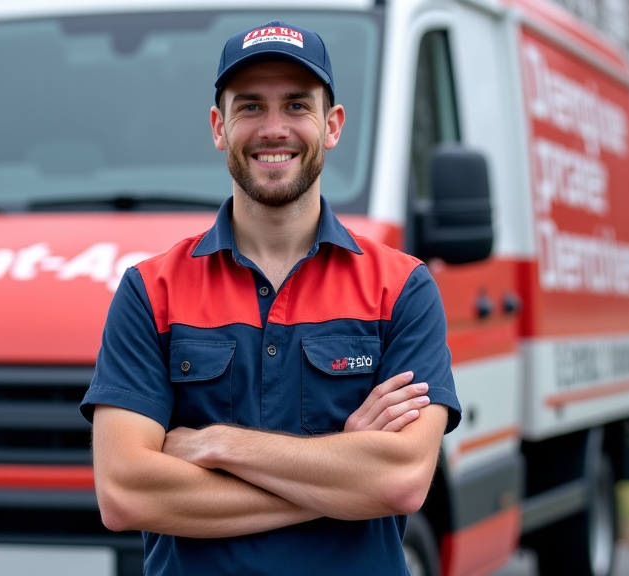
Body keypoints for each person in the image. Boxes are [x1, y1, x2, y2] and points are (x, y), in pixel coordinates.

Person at [80, 20, 461, 576]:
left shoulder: (400, 288)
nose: (274, 128)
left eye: (298, 106)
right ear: (219, 126)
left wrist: (216, 445)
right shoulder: (152, 291)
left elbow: (400, 480)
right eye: (251, 107)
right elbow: (125, 493)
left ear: (332, 126)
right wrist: (340, 470)